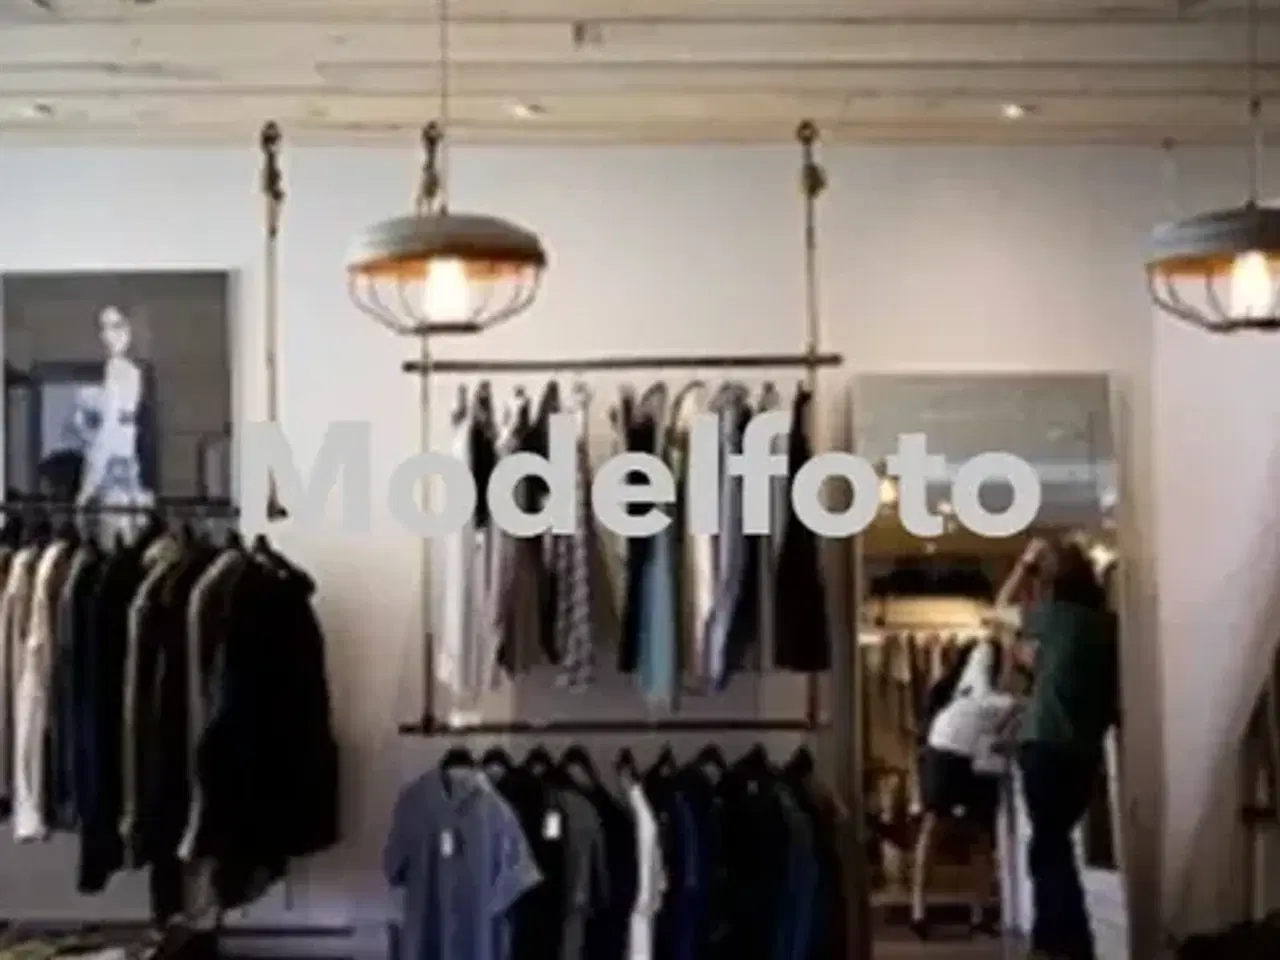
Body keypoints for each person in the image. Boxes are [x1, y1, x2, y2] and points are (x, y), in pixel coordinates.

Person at [997, 536, 1119, 960]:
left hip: (1044, 743)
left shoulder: (1049, 618)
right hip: (1084, 752)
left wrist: (1023, 567)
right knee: (1054, 842)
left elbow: (998, 612)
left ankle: (1067, 942)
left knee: (1048, 846)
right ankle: (1056, 939)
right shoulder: (1107, 626)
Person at [910, 638, 1020, 939]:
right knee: (962, 831)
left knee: (952, 829)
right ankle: (966, 913)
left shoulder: (957, 690)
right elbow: (988, 700)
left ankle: (926, 911)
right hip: (952, 752)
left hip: (962, 753)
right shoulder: (975, 684)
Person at [75, 305, 155, 539]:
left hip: (115, 469)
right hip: (123, 468)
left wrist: (88, 485)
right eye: (105, 328)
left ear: (131, 329)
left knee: (114, 540)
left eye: (117, 326)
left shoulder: (122, 370)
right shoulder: (122, 370)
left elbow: (113, 430)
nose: (110, 335)